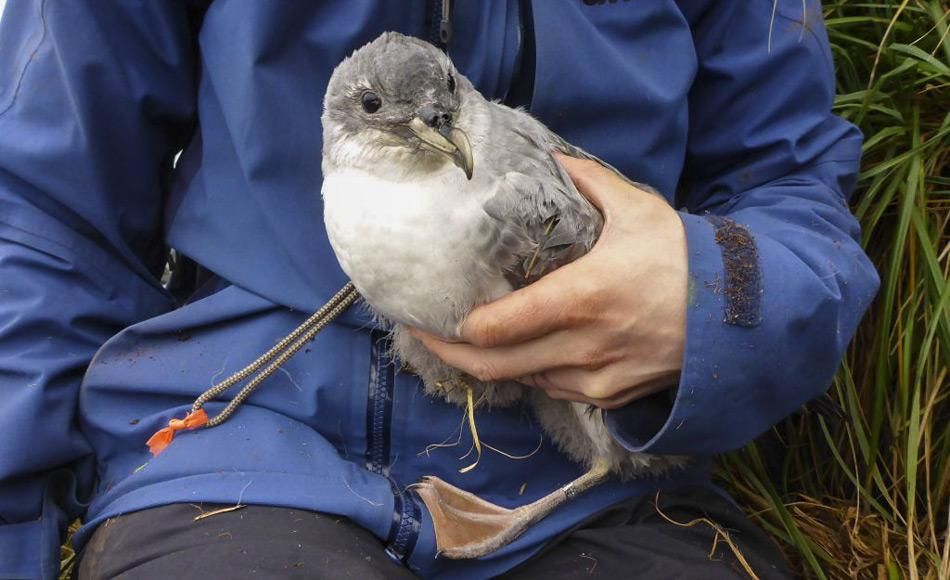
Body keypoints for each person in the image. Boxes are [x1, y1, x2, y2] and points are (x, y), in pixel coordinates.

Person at [0, 2, 878, 578]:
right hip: (237, 454)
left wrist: (713, 301)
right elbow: (40, 211)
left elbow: (791, 185)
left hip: (595, 472)